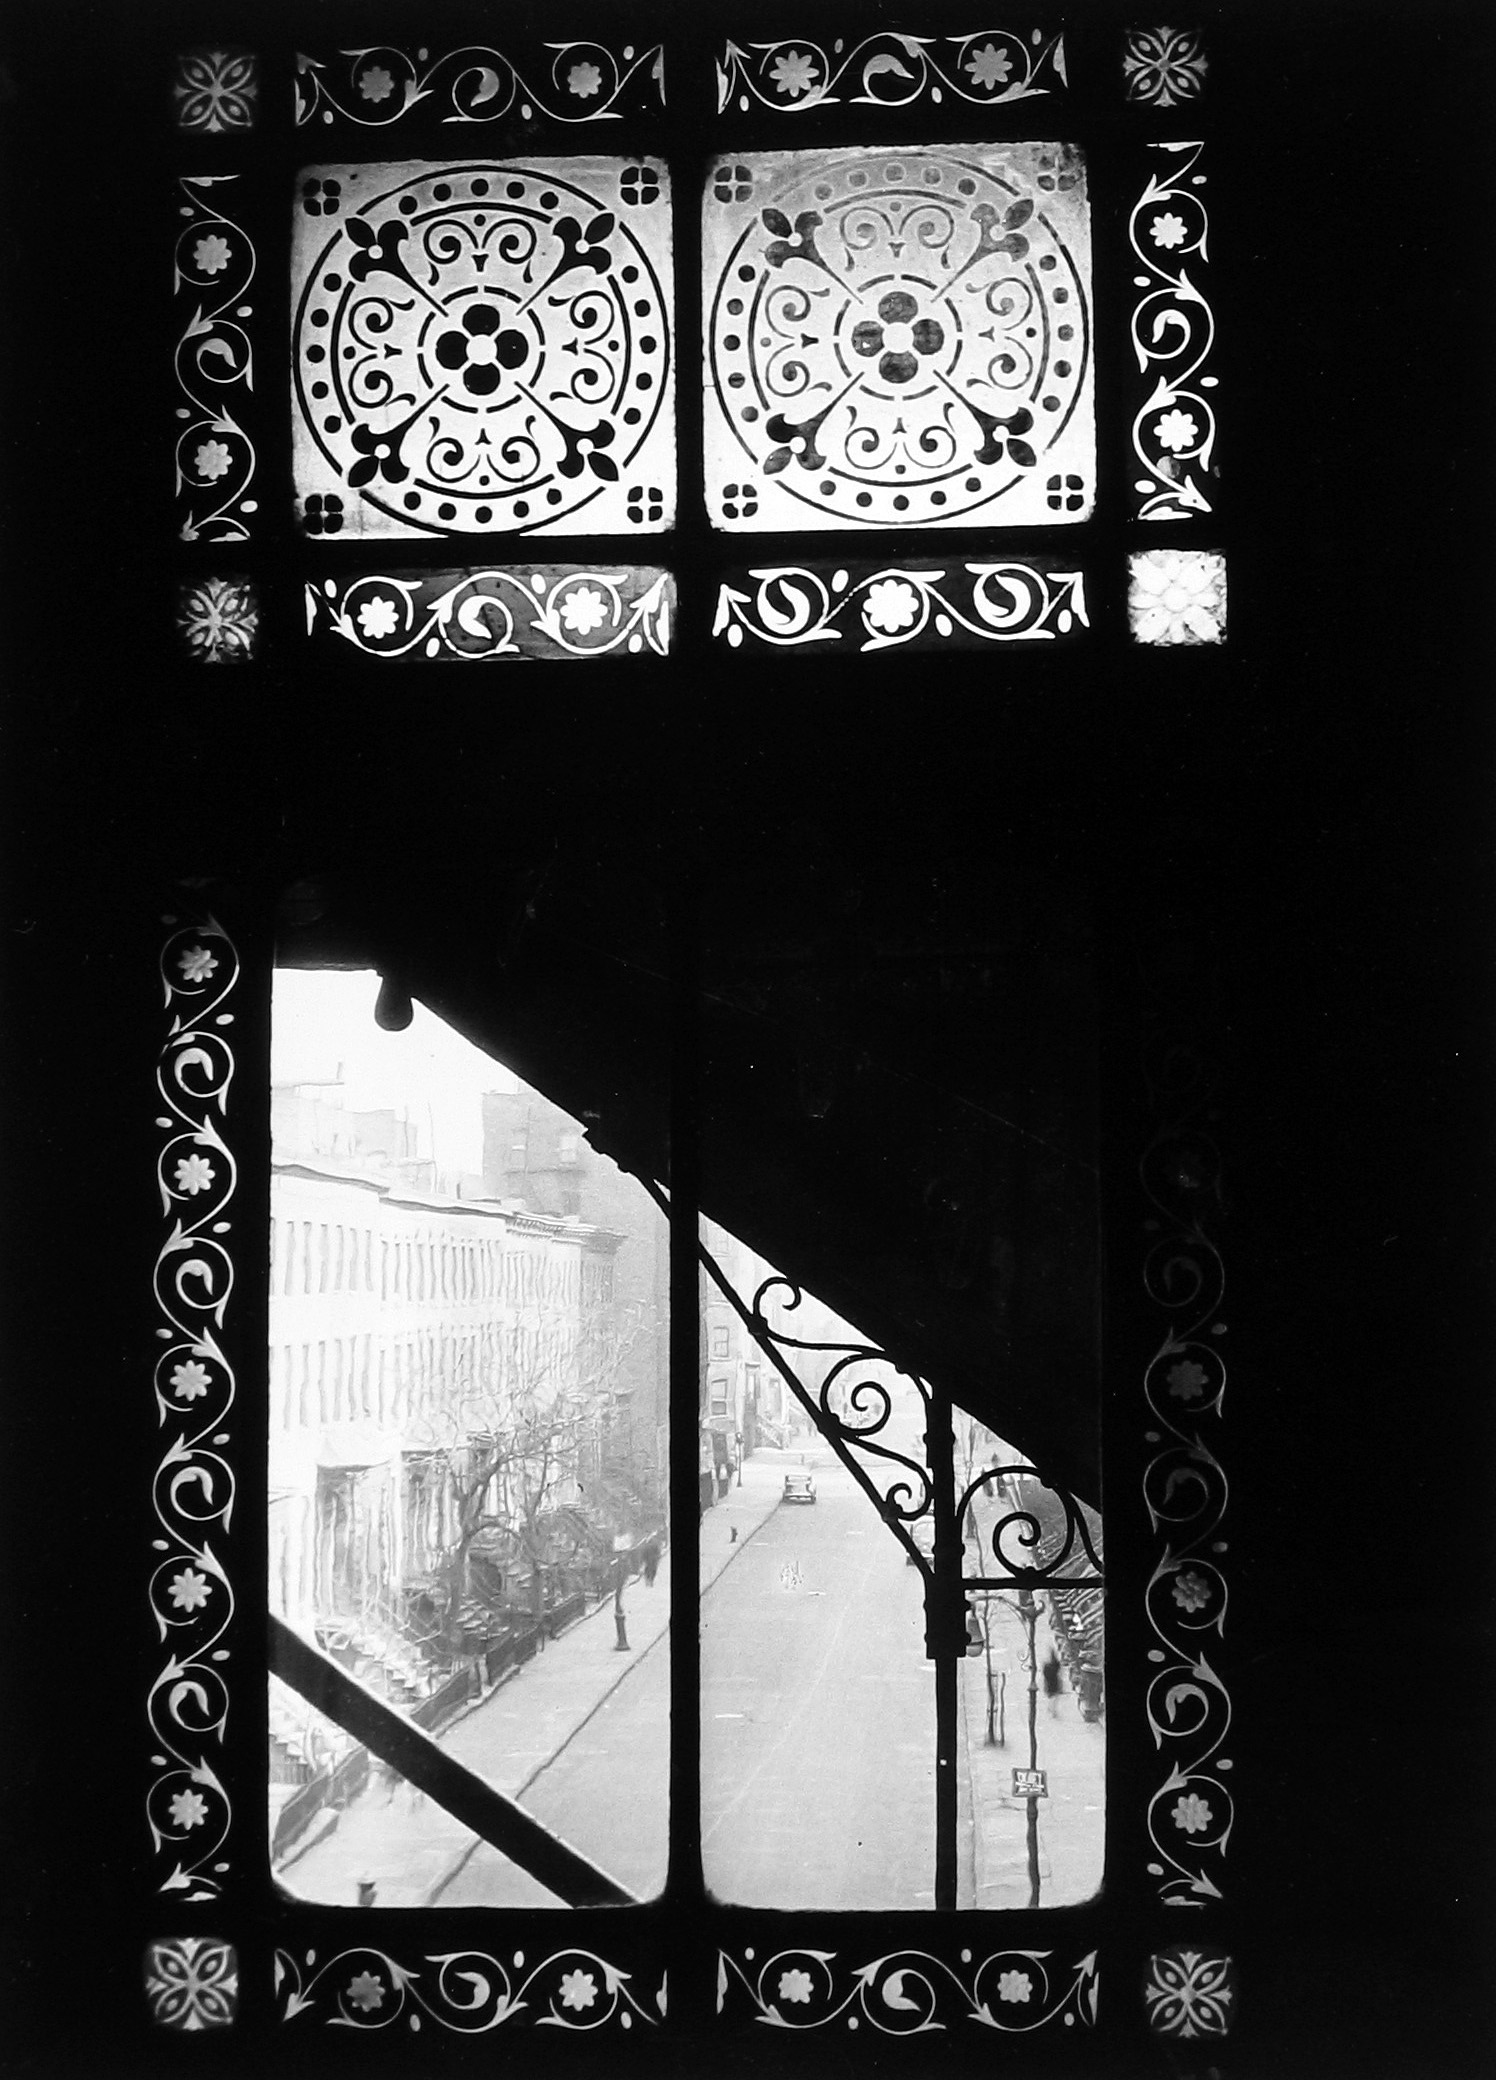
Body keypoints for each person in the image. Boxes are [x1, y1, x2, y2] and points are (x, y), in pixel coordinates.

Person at [1042, 1649, 1063, 1718]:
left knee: (1053, 1698)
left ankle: (1051, 1709)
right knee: (1054, 1698)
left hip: (1051, 1683)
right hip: (1054, 1682)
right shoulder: (1054, 1665)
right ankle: (1052, 1710)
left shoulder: (1048, 1666)